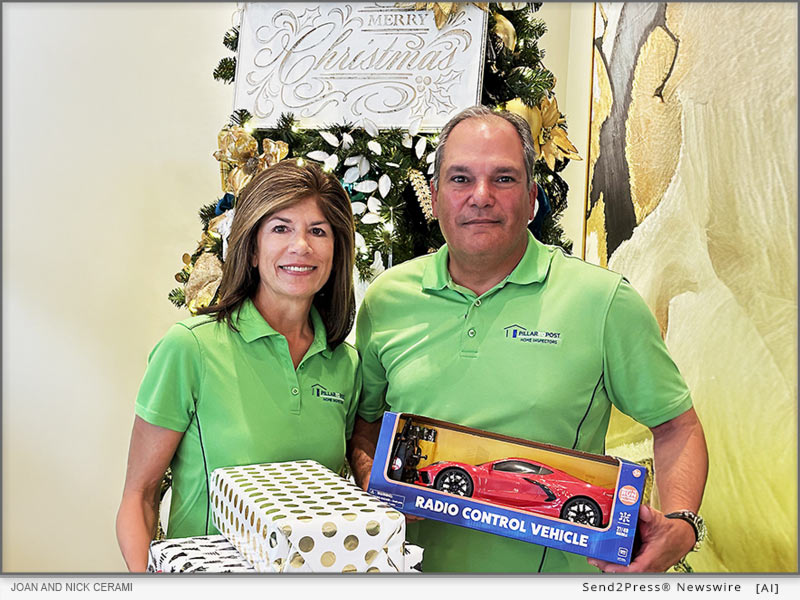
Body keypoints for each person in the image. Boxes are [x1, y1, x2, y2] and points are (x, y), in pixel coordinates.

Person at [350, 106, 708, 573]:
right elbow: (366, 426)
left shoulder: (602, 301)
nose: (480, 197)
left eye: (503, 178)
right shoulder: (387, 299)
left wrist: (682, 525)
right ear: (434, 197)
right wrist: (377, 488)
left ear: (532, 196)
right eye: (460, 179)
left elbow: (677, 426)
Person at [117, 159, 361, 572]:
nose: (300, 246)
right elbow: (139, 495)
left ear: (337, 254)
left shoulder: (346, 364)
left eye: (318, 231)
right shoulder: (190, 347)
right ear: (250, 250)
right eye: (280, 228)